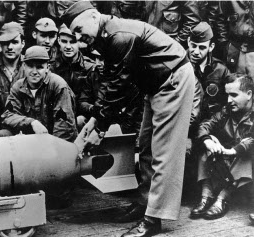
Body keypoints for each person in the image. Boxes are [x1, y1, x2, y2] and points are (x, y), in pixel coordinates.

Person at [61, 1, 195, 236]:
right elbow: (110, 81)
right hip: (153, 83)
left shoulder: (119, 35)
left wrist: (99, 126)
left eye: (79, 30)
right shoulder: (104, 35)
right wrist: (96, 120)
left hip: (172, 80)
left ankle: (154, 219)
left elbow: (117, 86)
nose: (78, 38)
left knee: (163, 152)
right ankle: (145, 204)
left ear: (93, 16)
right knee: (145, 147)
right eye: (73, 33)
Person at [191, 73, 254, 220]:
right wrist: (208, 140)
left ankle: (222, 199)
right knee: (208, 140)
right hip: (226, 164)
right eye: (227, 95)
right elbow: (205, 125)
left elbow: (251, 140)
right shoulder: (226, 111)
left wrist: (232, 151)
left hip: (245, 165)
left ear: (249, 94)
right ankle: (206, 196)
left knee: (245, 153)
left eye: (234, 95)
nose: (228, 100)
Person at [1, 45, 77, 142]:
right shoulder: (18, 87)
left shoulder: (58, 86)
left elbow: (64, 127)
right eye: (30, 66)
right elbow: (7, 115)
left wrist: (50, 147)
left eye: (39, 67)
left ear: (47, 68)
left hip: (54, 140)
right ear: (24, 66)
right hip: (29, 139)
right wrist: (32, 122)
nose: (34, 72)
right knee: (3, 134)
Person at [188, 21, 230, 120]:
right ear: (188, 41)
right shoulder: (180, 66)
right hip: (186, 121)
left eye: (202, 47)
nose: (196, 52)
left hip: (211, 122)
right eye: (193, 46)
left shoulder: (220, 70)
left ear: (211, 47)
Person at [215, 1, 254, 78]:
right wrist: (224, 45)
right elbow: (220, 20)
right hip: (235, 47)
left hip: (252, 46)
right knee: (235, 82)